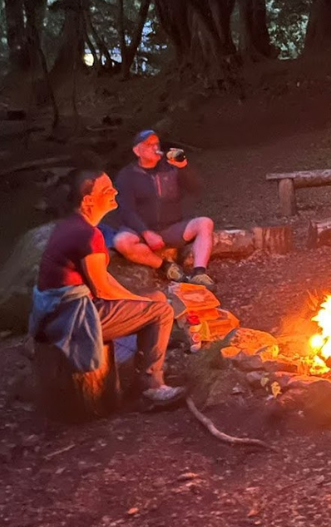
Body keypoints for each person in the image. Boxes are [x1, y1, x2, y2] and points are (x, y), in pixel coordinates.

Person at [30, 169, 185, 405]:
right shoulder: (86, 234)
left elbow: (100, 278)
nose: (114, 192)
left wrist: (138, 300)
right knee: (162, 312)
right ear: (89, 200)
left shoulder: (72, 225)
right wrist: (142, 306)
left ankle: (149, 360)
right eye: (107, 190)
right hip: (71, 319)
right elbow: (102, 289)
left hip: (62, 309)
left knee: (155, 298)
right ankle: (152, 387)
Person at [105, 129, 217, 292]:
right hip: (140, 230)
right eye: (149, 145)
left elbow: (196, 188)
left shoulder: (170, 168)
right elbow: (126, 210)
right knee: (121, 241)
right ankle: (166, 267)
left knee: (205, 223)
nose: (155, 147)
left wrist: (184, 167)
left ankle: (199, 273)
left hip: (171, 227)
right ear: (137, 151)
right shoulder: (127, 175)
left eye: (156, 144)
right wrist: (146, 232)